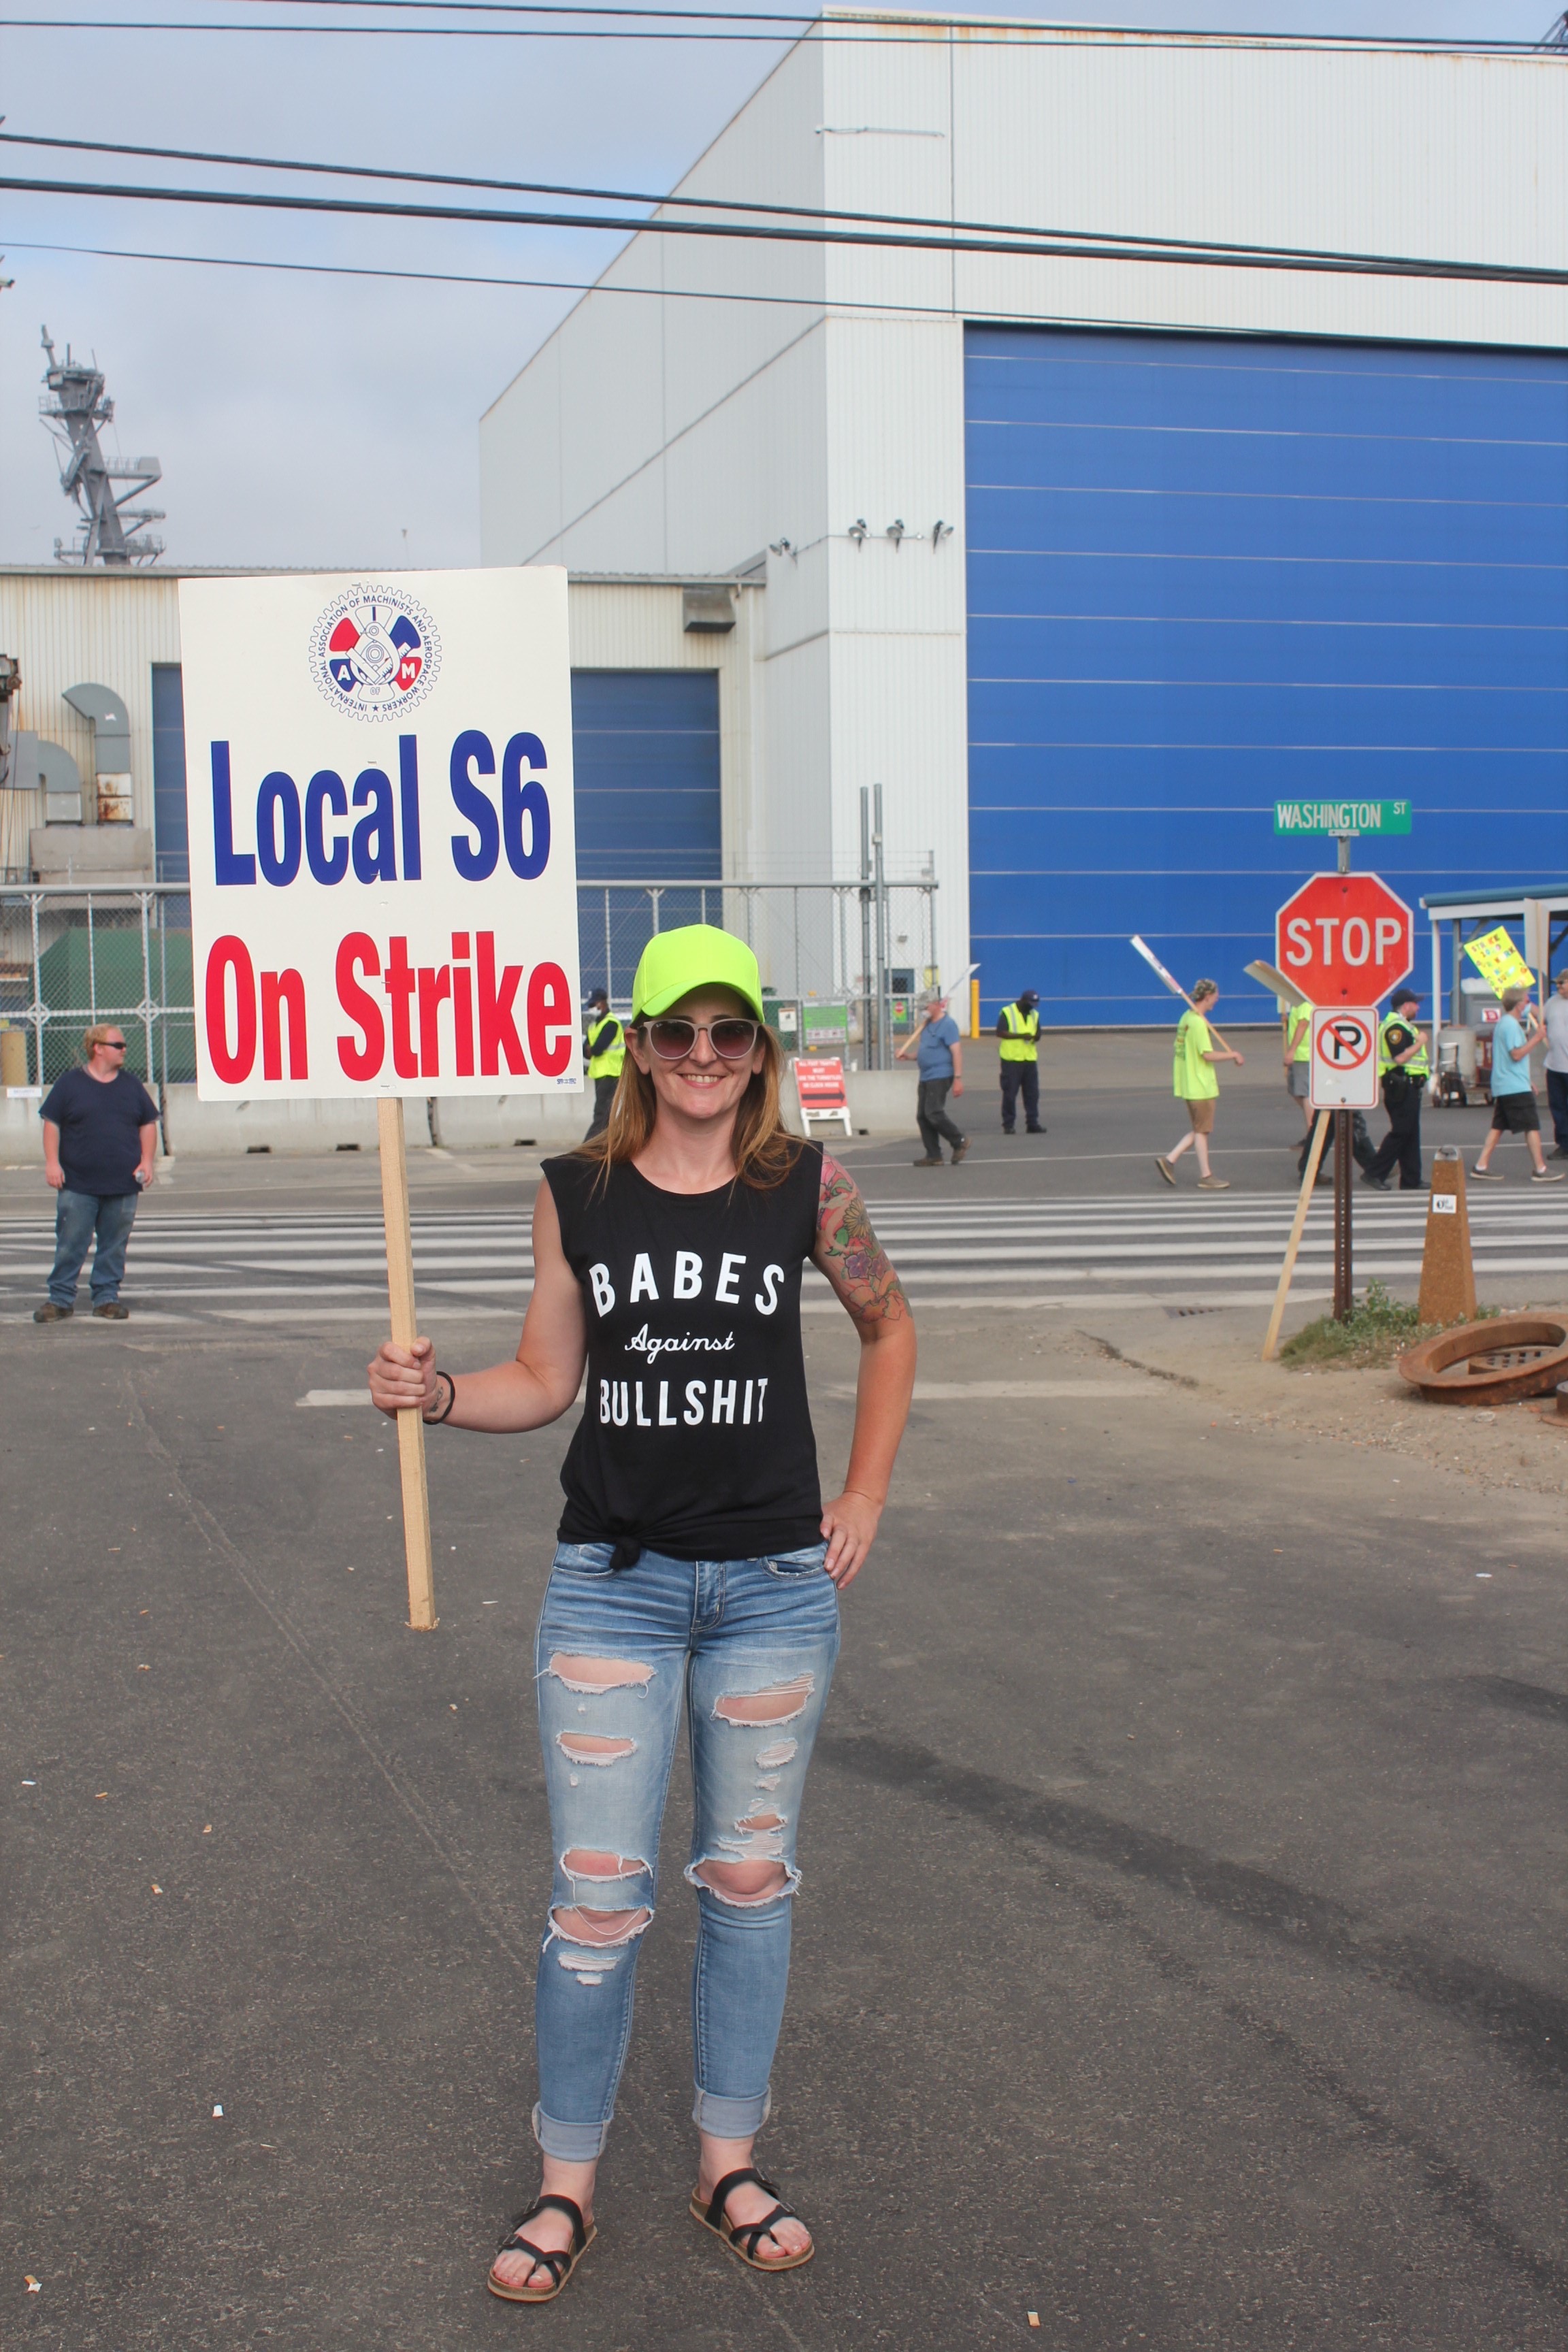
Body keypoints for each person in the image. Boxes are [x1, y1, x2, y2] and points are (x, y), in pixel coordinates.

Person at [368, 923, 916, 2304]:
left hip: (774, 1594)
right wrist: (434, 1396)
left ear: (762, 1050)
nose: (705, 1058)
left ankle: (726, 2162)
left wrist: (863, 1497)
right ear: (641, 1046)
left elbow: (890, 1325)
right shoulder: (580, 1193)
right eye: (679, 1032)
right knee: (598, 1899)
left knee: (747, 1884)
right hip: (614, 1584)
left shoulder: (807, 1187)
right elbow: (544, 1377)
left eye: (731, 1034)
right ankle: (567, 2189)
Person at [34, 1023, 159, 1323]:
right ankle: (60, 1299)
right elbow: (52, 1124)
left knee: (114, 1244)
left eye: (124, 1045)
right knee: (71, 1242)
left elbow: (148, 1123)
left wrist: (148, 1161)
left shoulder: (131, 1086)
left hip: (123, 1182)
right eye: (118, 1045)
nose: (124, 1049)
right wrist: (53, 1163)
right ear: (98, 1048)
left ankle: (106, 1297)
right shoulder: (70, 1085)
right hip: (78, 1183)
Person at [1156, 980, 1243, 1191]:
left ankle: (1170, 1160)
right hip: (1200, 1085)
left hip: (1189, 1083)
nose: (1218, 999)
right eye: (1216, 995)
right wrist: (1233, 1054)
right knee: (1202, 1131)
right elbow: (1207, 1054)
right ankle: (1205, 1175)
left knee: (1200, 1129)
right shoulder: (1197, 1022)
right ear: (1207, 997)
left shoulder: (1186, 1018)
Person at [1473, 984, 1565, 1183]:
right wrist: (1538, 1038)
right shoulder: (1511, 1025)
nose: (1528, 1005)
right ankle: (1540, 1168)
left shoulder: (1505, 1024)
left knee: (1498, 1127)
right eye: (1526, 1001)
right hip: (1513, 1087)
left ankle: (1481, 1165)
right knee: (1532, 1126)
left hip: (1508, 1083)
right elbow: (1516, 1054)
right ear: (1517, 1005)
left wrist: (1527, 1080)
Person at [1362, 986, 1430, 1192]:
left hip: (1408, 1086)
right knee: (1401, 1132)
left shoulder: (1404, 1026)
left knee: (1411, 1133)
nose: (1418, 1007)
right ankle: (1374, 1172)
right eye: (1415, 1004)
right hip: (1400, 1086)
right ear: (1406, 1006)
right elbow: (1399, 1057)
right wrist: (1420, 1043)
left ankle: (1411, 1179)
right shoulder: (1396, 1028)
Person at [894, 991, 968, 1166]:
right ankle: (934, 1154)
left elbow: (956, 1052)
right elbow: (924, 1052)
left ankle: (959, 1141)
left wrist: (958, 1078)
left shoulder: (948, 1025)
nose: (923, 1011)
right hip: (926, 1075)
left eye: (925, 1007)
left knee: (933, 1112)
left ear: (935, 1005)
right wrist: (909, 1057)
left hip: (941, 1074)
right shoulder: (926, 1026)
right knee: (922, 1116)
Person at [996, 987, 1045, 1134]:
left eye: (1034, 1004)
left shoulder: (1034, 1014)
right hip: (1011, 1059)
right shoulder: (1007, 1011)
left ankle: (1032, 1123)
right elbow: (1000, 1032)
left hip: (1029, 1059)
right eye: (1030, 1003)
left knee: (1032, 1093)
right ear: (1023, 1000)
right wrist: (1020, 1036)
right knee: (1010, 1093)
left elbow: (1038, 1033)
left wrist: (1035, 1037)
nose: (1032, 1007)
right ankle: (1008, 1124)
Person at [583, 988, 625, 1140]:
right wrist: (591, 1049)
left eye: (593, 1005)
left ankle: (588, 1145)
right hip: (599, 1073)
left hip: (611, 1072)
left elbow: (598, 1048)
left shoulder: (611, 1024)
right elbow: (585, 1050)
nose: (591, 1008)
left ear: (601, 1003)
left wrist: (592, 1049)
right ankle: (601, 1145)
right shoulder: (594, 1025)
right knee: (605, 1113)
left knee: (602, 1112)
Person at [1544, 968, 1568, 1159]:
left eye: (1562, 983)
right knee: (1558, 1106)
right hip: (1555, 1064)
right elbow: (1542, 1019)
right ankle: (1563, 1143)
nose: (1559, 986)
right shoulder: (1552, 1002)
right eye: (1558, 983)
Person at [1281, 993, 1313, 1137]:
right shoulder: (1297, 1003)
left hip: (1304, 1055)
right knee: (1295, 1090)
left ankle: (1312, 1135)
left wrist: (1292, 1050)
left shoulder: (1306, 1002)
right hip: (1299, 1055)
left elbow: (1303, 1024)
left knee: (1305, 1093)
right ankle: (1316, 1119)